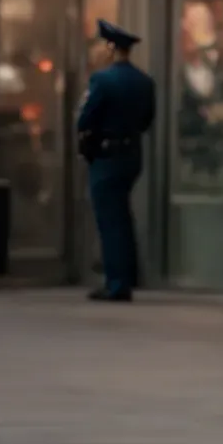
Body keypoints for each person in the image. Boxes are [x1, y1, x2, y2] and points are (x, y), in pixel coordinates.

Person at [77, 19, 157, 302]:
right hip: (131, 155)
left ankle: (117, 283)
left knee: (110, 220)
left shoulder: (102, 80)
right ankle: (127, 275)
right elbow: (146, 121)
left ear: (110, 49)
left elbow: (85, 118)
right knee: (122, 218)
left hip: (107, 156)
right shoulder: (145, 81)